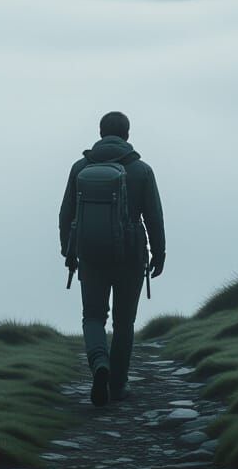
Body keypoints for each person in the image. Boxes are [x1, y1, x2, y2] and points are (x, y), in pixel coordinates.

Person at [59, 111, 166, 407]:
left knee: (93, 317)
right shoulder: (141, 170)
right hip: (130, 258)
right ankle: (117, 386)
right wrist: (159, 253)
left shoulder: (80, 168)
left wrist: (69, 252)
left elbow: (66, 214)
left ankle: (99, 364)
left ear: (100, 132)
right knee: (123, 323)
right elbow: (154, 217)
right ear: (127, 135)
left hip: (90, 255)